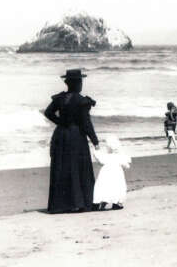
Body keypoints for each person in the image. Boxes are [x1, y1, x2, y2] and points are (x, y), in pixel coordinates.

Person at [42, 69, 100, 214]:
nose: (81, 84)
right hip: (76, 136)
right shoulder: (82, 101)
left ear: (68, 83)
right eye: (81, 81)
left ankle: (61, 205)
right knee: (78, 167)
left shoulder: (60, 98)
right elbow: (86, 123)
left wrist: (60, 122)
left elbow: (48, 113)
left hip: (60, 135)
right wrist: (95, 141)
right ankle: (80, 203)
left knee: (62, 166)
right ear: (78, 83)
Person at [92, 134, 131, 211]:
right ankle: (116, 204)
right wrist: (124, 167)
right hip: (117, 174)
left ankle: (99, 203)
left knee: (103, 187)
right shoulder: (120, 156)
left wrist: (96, 151)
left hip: (105, 173)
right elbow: (127, 166)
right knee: (118, 187)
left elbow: (100, 160)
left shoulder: (106, 156)